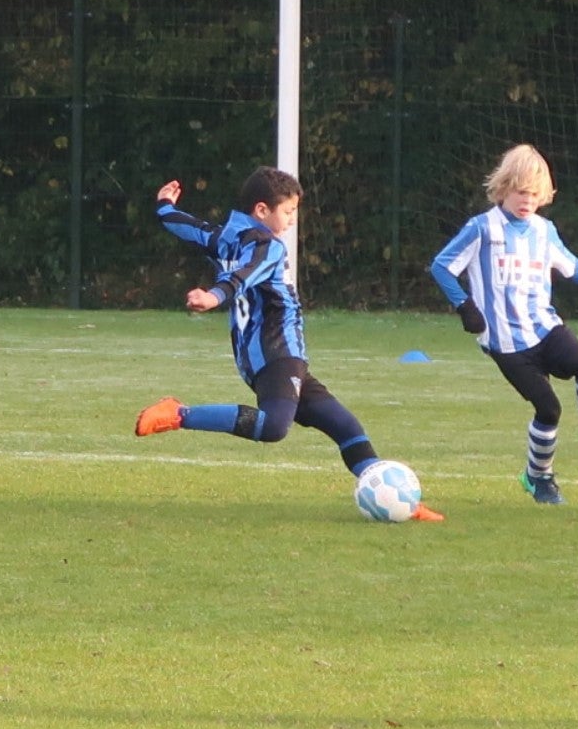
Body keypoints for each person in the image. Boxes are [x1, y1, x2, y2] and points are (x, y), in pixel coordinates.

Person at [133, 168, 443, 522]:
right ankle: (179, 414)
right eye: (288, 211)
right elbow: (240, 277)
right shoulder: (267, 247)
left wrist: (164, 206)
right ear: (261, 210)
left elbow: (186, 226)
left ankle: (401, 501)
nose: (293, 220)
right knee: (274, 426)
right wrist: (214, 297)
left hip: (263, 356)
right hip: (277, 350)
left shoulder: (224, 239)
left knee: (344, 426)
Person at [428, 143, 578, 506]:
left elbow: (570, 265)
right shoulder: (482, 229)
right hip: (506, 344)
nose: (527, 201)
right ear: (503, 188)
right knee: (548, 409)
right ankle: (538, 477)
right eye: (520, 192)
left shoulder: (543, 230)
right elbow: (442, 266)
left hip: (544, 327)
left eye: (534, 195)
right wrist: (465, 306)